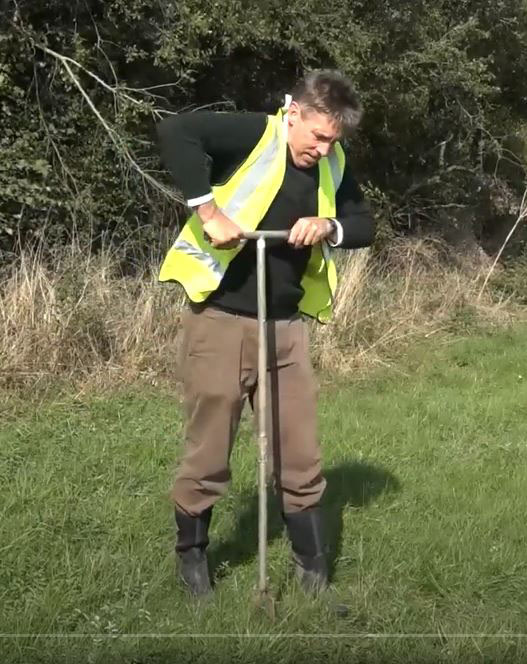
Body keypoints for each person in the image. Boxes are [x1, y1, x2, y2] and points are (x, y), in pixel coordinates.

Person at [156, 69, 375, 597]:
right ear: (293, 113)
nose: (323, 149)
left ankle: (312, 570)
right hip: (222, 321)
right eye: (317, 136)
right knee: (209, 450)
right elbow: (175, 131)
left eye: (333, 140)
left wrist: (329, 227)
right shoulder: (256, 134)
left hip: (287, 328)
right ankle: (193, 561)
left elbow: (364, 224)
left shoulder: (334, 165)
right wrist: (207, 211)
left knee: (300, 454)